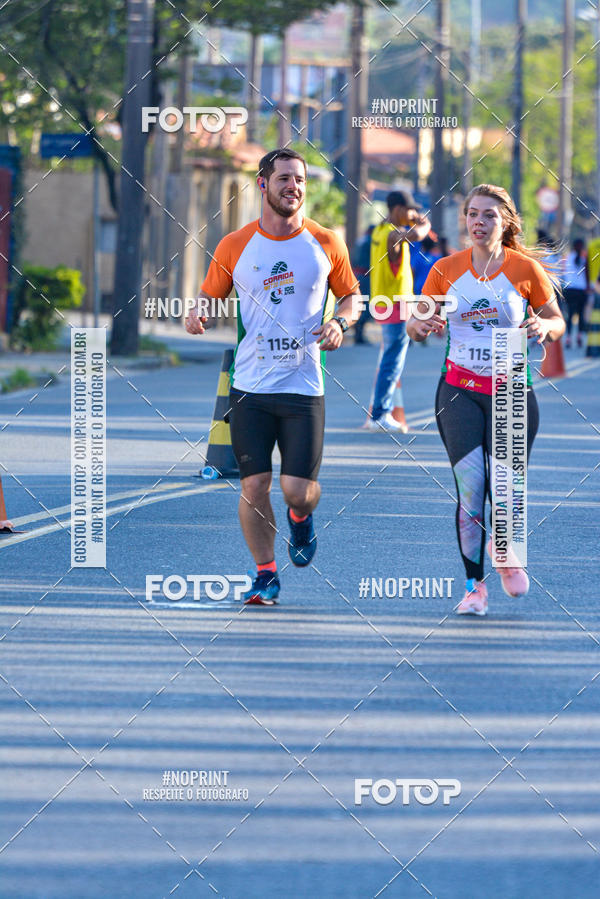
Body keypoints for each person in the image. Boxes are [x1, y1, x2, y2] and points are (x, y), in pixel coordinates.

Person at [185, 148, 360, 605]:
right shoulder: (235, 244)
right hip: (250, 387)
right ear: (263, 184)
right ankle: (265, 573)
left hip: (303, 387)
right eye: (283, 178)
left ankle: (301, 519)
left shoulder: (326, 242)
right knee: (254, 485)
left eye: (299, 179)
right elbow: (209, 294)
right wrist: (197, 312)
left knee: (296, 491)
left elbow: (352, 297)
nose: (293, 187)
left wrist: (340, 322)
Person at [408, 183, 565, 616]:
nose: (479, 222)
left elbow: (557, 321)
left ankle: (506, 551)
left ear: (506, 221)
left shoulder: (524, 269)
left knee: (505, 488)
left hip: (511, 391)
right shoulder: (445, 268)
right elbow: (415, 324)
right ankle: (473, 586)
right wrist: (421, 326)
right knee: (472, 488)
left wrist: (544, 328)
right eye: (473, 214)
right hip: (458, 389)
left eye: (489, 215)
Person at [368, 190, 431, 432]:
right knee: (392, 362)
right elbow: (418, 234)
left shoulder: (379, 230)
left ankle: (380, 412)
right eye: (410, 209)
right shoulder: (393, 234)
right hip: (395, 305)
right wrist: (423, 222)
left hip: (385, 302)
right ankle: (380, 414)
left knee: (389, 359)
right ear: (397, 209)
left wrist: (413, 219)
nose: (413, 213)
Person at [562, 238, 589, 348]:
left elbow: (564, 273)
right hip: (581, 290)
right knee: (581, 314)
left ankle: (568, 337)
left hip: (570, 289)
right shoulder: (584, 259)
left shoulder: (568, 257)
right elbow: (587, 275)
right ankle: (579, 336)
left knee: (570, 314)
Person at [351, 224, 375, 344]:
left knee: (358, 304)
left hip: (356, 275)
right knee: (365, 304)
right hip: (366, 276)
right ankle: (359, 334)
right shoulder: (371, 242)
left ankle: (357, 333)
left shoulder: (360, 241)